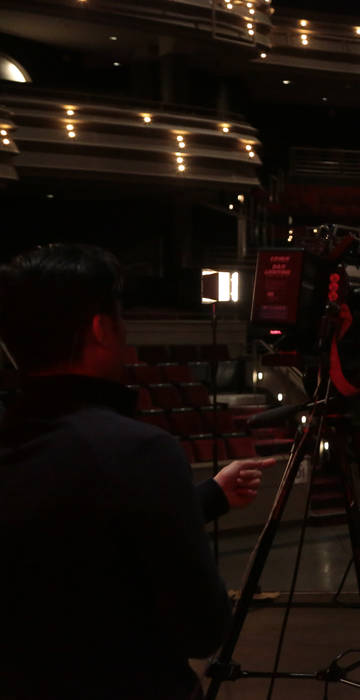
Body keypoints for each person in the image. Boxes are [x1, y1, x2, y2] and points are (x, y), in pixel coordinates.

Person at [0, 244, 275, 699]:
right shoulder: (140, 452)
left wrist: (208, 496)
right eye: (121, 317)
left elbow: (64, 528)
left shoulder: (22, 441)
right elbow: (202, 628)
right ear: (100, 328)